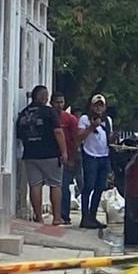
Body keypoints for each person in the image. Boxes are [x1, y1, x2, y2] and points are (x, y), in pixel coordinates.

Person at [15, 85, 68, 225]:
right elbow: (58, 131)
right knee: (55, 184)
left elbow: (19, 135)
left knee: (35, 185)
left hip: (30, 155)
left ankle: (38, 217)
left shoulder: (24, 113)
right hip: (50, 154)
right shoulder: (49, 112)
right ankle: (57, 218)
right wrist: (64, 151)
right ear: (44, 97)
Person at [77, 94, 113, 230]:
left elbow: (108, 138)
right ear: (91, 106)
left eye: (101, 105)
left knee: (100, 187)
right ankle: (85, 216)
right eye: (96, 105)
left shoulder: (107, 120)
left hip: (104, 156)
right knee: (89, 186)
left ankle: (92, 216)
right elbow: (79, 137)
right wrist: (92, 127)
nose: (98, 108)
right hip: (90, 156)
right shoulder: (84, 119)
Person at [53, 92, 81, 225]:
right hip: (50, 156)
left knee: (63, 186)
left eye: (61, 102)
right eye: (57, 102)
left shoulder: (70, 119)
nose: (59, 105)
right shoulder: (49, 117)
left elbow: (75, 140)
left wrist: (72, 159)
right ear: (52, 103)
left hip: (66, 157)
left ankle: (64, 215)